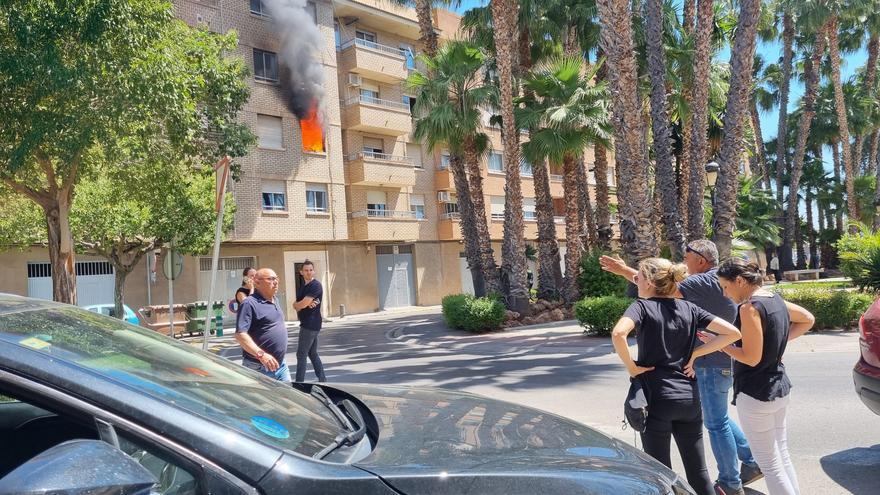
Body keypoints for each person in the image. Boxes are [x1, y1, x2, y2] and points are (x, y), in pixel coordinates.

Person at [601, 240, 762, 495]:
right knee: (699, 472)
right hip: (688, 397)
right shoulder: (689, 307)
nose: (637, 283)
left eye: (640, 278)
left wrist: (632, 367)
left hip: (657, 399)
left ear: (650, 282)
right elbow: (731, 333)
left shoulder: (642, 306)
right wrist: (695, 354)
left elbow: (619, 333)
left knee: (661, 472)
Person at [701, 258, 815, 495]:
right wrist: (776, 346)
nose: (725, 293)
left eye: (725, 286)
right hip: (779, 388)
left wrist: (720, 344)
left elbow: (750, 357)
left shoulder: (749, 307)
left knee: (770, 465)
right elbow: (807, 319)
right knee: (781, 455)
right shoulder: (775, 299)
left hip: (756, 392)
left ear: (740, 281)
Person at [234, 268, 291, 382]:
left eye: (276, 278)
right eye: (270, 279)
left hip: (280, 365)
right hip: (259, 368)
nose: (275, 282)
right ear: (257, 283)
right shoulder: (249, 303)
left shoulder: (275, 300)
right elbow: (240, 335)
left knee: (289, 399)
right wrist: (262, 355)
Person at [292, 260, 326, 382]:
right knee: (312, 353)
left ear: (314, 271)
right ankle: (323, 380)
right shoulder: (303, 287)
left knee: (301, 354)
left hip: (310, 324)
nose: (309, 272)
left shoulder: (315, 285)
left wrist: (300, 304)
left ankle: (299, 383)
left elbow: (302, 304)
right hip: (308, 323)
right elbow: (298, 304)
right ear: (301, 272)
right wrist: (299, 304)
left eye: (311, 270)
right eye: (306, 270)